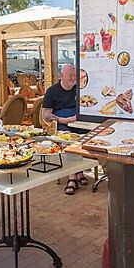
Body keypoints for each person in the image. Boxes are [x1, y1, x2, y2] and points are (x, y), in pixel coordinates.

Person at [41, 64, 86, 195]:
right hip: (61, 123)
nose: (73, 78)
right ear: (62, 76)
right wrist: (64, 120)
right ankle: (72, 177)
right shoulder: (52, 91)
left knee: (87, 139)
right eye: (70, 76)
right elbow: (46, 115)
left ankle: (80, 170)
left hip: (79, 122)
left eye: (75, 76)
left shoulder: (80, 89)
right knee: (68, 140)